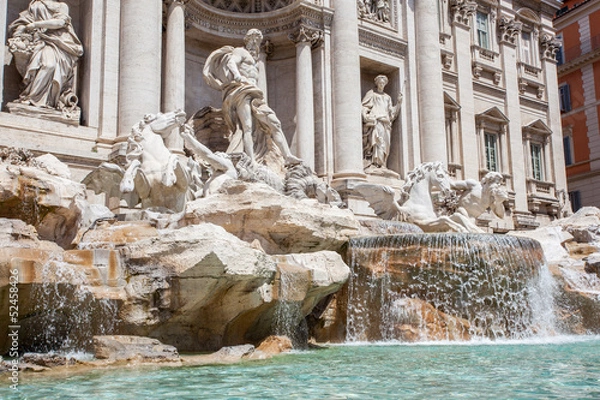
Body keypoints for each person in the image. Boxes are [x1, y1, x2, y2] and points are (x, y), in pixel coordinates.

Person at [203, 29, 301, 166]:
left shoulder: (255, 61)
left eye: (258, 41)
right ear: (247, 40)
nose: (255, 43)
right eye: (253, 39)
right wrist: (238, 76)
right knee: (247, 127)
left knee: (275, 123)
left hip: (255, 94)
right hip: (242, 91)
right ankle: (251, 161)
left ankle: (288, 156)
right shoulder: (240, 51)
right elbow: (232, 63)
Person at [7, 0, 83, 110]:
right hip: (40, 42)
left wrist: (36, 24)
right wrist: (20, 32)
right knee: (47, 65)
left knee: (50, 65)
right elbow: (24, 21)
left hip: (59, 43)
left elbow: (60, 22)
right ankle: (31, 98)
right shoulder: (35, 4)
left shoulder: (62, 6)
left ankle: (45, 101)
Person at [361, 75, 402, 168]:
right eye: (380, 83)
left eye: (383, 83)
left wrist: (399, 103)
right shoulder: (371, 94)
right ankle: (375, 163)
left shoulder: (387, 97)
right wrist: (366, 116)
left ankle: (382, 163)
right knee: (378, 141)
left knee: (385, 145)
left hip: (386, 123)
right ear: (377, 83)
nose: (381, 85)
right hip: (377, 121)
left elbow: (392, 113)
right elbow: (364, 106)